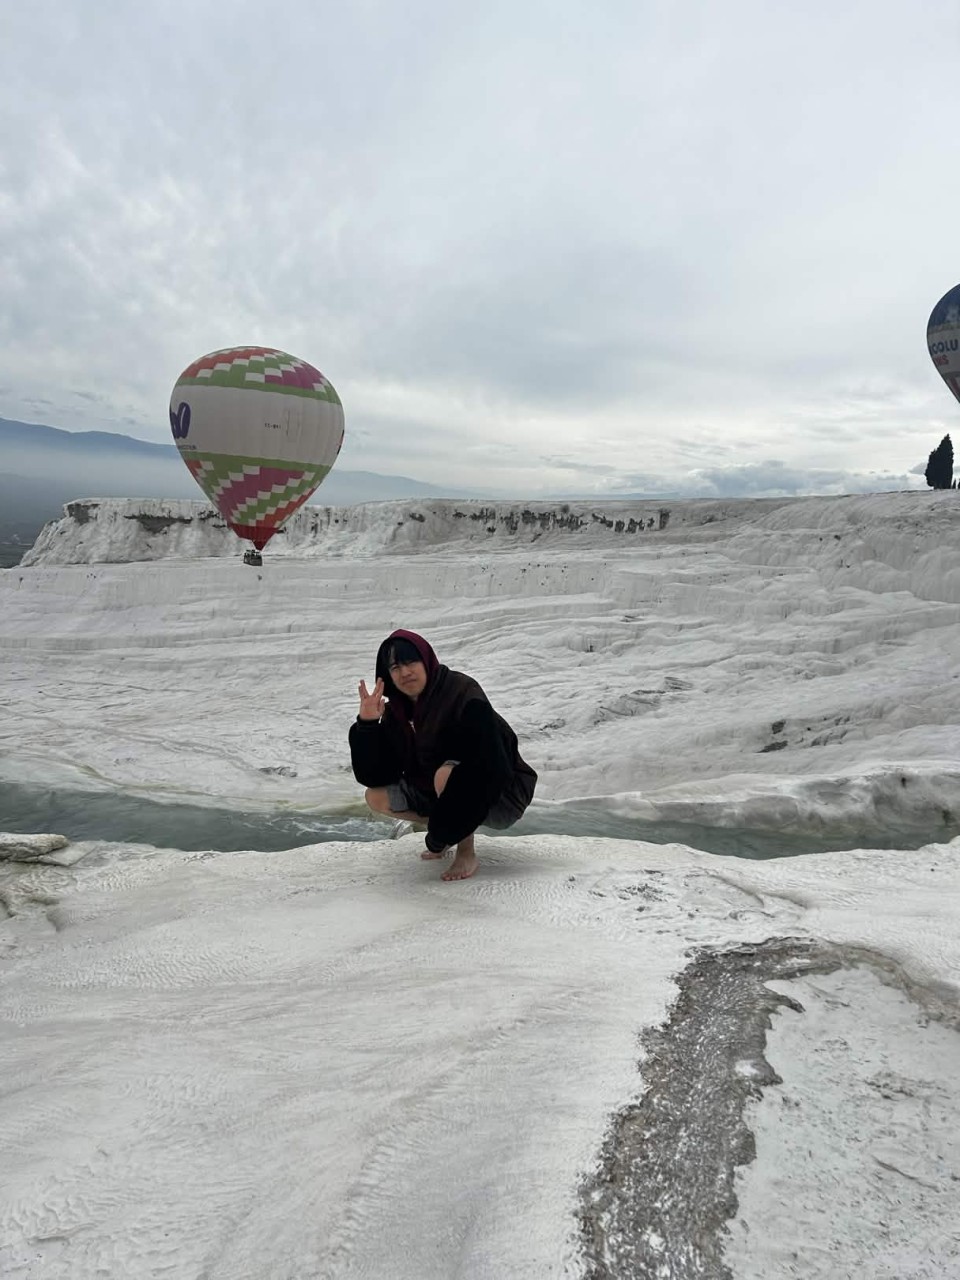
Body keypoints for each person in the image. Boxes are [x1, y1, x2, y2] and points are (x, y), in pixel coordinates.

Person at [349, 629, 537, 881]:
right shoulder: (397, 712)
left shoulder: (462, 692)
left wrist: (438, 837)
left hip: (502, 792)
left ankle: (465, 852)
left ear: (426, 660)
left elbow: (489, 768)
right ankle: (450, 829)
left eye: (410, 662)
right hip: (444, 794)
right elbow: (376, 774)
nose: (404, 672)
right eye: (395, 667)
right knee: (376, 797)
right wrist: (368, 725)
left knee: (447, 774)